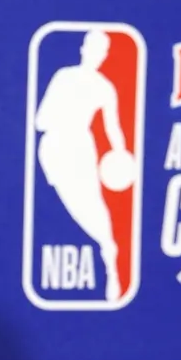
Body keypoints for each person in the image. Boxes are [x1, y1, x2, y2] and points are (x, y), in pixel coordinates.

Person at [35, 28, 131, 303]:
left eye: (102, 50)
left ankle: (110, 258)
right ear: (84, 49)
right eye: (93, 47)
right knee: (64, 204)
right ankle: (107, 249)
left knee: (93, 205)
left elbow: (113, 128)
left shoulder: (105, 87)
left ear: (105, 55)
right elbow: (40, 119)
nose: (96, 54)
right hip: (53, 149)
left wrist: (120, 152)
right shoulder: (63, 77)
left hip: (81, 149)